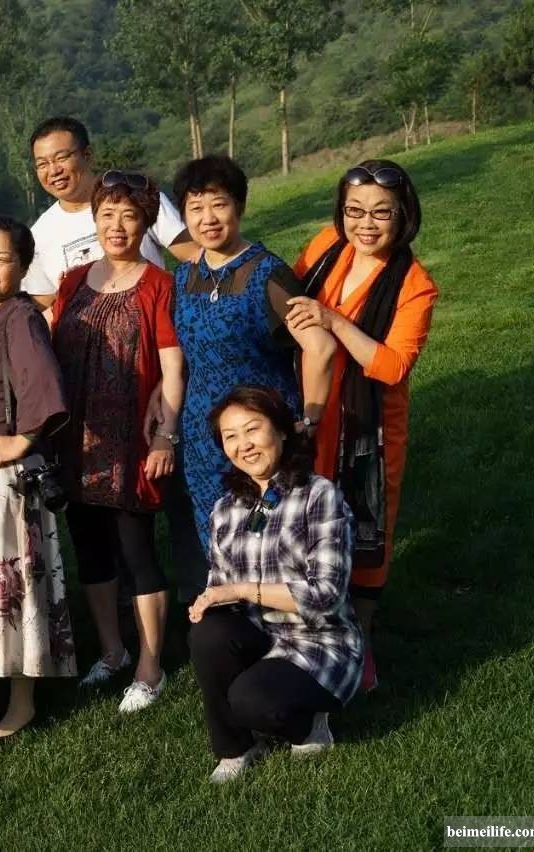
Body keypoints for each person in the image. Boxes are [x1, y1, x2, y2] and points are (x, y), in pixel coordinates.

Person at [285, 160, 439, 692]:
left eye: (380, 213)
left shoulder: (415, 285)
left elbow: (392, 366)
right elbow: (288, 296)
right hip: (311, 407)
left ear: (404, 216)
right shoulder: (326, 244)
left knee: (366, 528)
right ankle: (305, 629)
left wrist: (332, 320)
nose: (365, 224)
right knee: (307, 521)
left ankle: (360, 643)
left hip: (367, 427)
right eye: (354, 211)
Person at [168, 155, 336, 603]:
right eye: (195, 208)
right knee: (219, 543)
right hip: (204, 441)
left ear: (239, 206)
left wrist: (309, 420)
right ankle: (230, 630)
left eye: (219, 204)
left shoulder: (269, 274)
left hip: (263, 435)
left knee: (275, 543)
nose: (208, 218)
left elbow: (320, 348)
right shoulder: (183, 277)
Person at [50, 172, 184, 709]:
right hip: (77, 443)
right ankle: (111, 652)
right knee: (90, 551)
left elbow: (172, 367)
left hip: (132, 442)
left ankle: (151, 667)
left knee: (137, 550)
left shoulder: (158, 285)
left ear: (146, 223)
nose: (117, 226)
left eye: (129, 216)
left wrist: (166, 435)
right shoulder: (72, 282)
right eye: (107, 214)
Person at [188, 385, 362, 784]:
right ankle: (235, 748)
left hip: (320, 642)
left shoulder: (319, 495)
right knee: (207, 632)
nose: (244, 445)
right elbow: (221, 586)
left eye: (253, 429)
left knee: (252, 701)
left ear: (282, 430)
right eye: (231, 436)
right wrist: (207, 603)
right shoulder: (226, 509)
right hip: (261, 633)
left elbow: (326, 596)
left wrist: (242, 590)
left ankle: (308, 728)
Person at [0, 217, 76, 738]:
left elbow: (43, 385)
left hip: (4, 479)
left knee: (13, 587)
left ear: (22, 267)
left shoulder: (21, 317)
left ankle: (23, 699)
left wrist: (20, 442)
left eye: (2, 259)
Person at [21, 116, 197, 309]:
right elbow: (42, 309)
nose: (53, 171)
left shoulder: (137, 197)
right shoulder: (36, 237)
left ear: (88, 155)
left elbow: (197, 259)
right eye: (42, 164)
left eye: (61, 158)